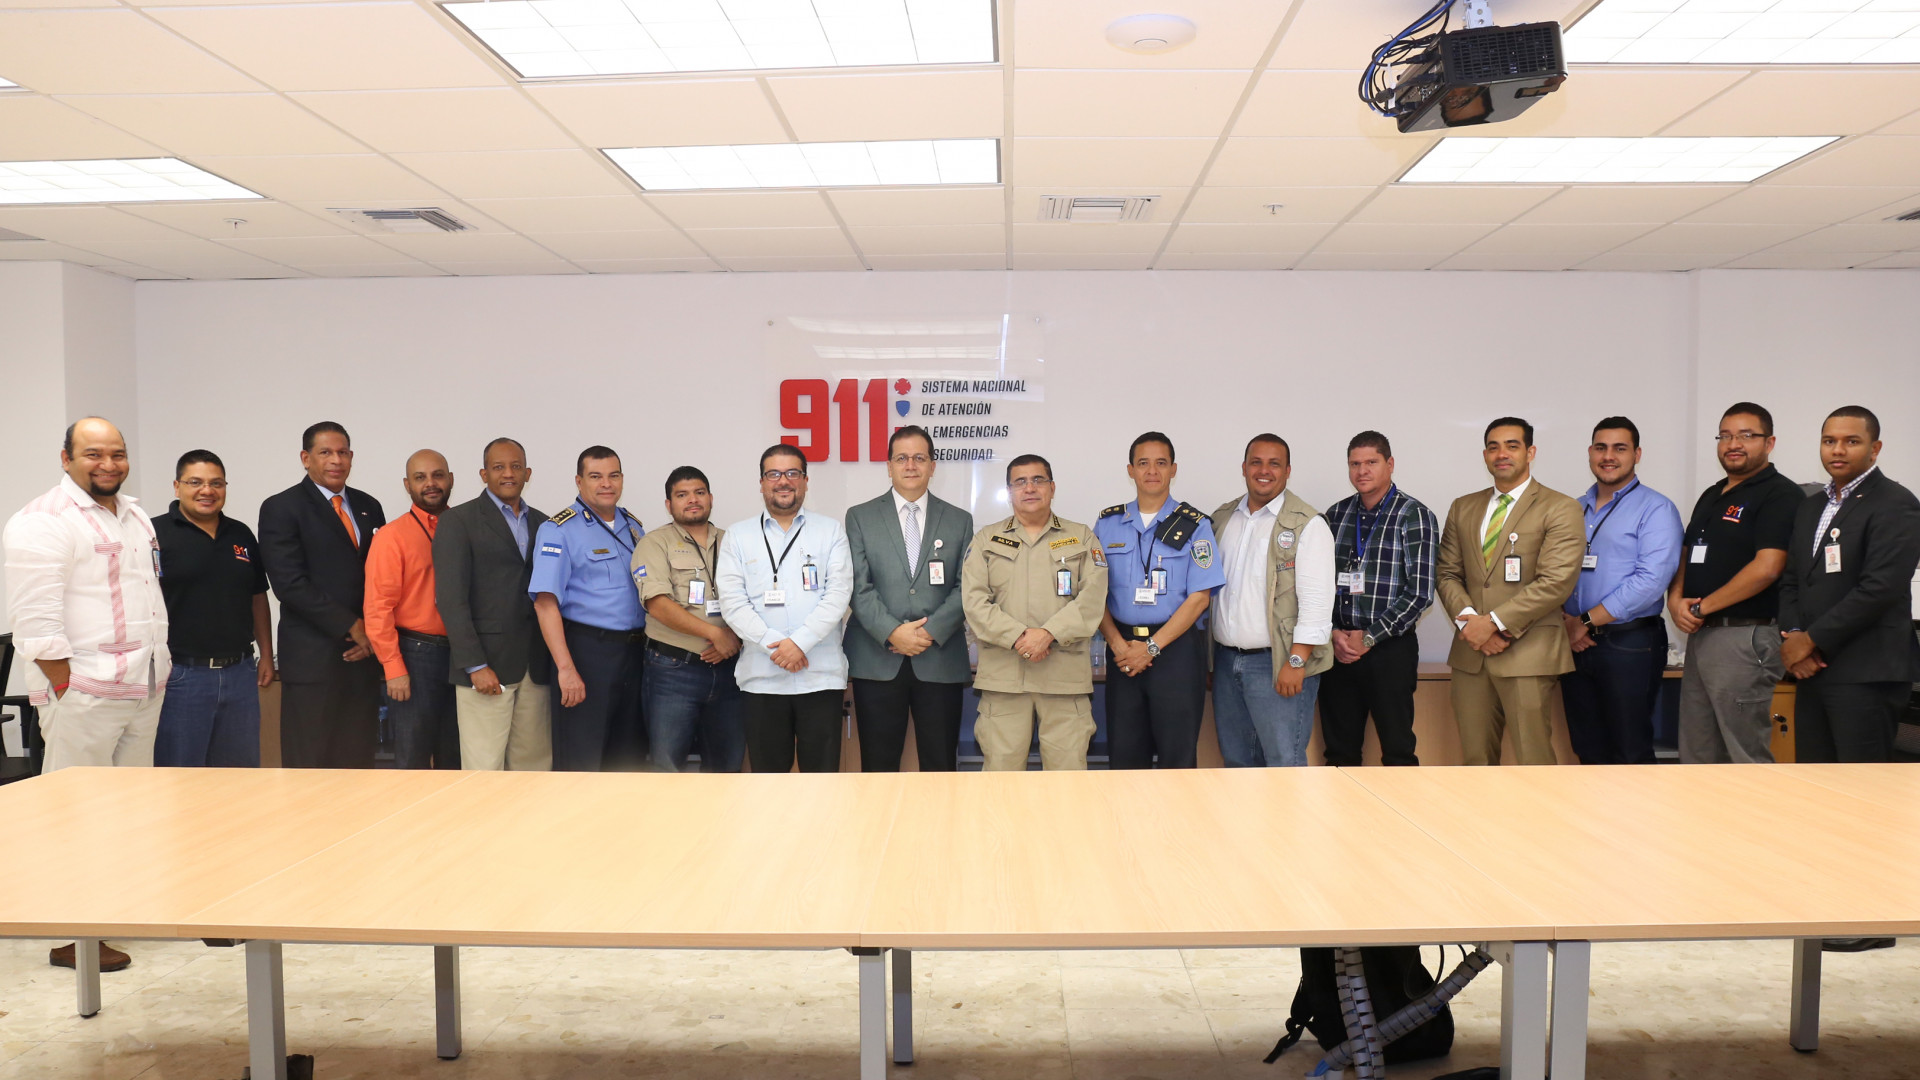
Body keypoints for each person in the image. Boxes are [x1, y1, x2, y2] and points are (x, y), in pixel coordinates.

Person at [4, 417, 165, 974]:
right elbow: (35, 623)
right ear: (66, 458)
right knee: (74, 816)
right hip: (85, 693)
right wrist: (69, 689)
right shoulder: (43, 520)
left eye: (117, 453)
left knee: (125, 813)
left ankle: (110, 916)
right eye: (94, 454)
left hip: (142, 685)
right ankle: (71, 936)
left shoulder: (134, 514)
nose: (109, 464)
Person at [1435, 417, 1583, 765]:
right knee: (1475, 762)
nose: (1501, 454)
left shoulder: (1560, 507)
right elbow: (1447, 572)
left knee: (1534, 763)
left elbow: (1555, 582)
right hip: (1472, 656)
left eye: (1512, 446)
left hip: (1528, 654)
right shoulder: (1462, 507)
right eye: (1493, 447)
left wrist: (1494, 624)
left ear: (1530, 452)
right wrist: (1472, 624)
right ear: (1485, 455)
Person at [1779, 406, 1920, 764]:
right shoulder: (1811, 507)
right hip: (1811, 670)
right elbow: (1793, 579)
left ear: (1875, 449)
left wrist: (1810, 640)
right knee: (1813, 783)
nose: (1837, 450)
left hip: (1866, 674)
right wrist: (1794, 636)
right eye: (1829, 441)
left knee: (1862, 788)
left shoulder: (1896, 503)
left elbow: (1880, 589)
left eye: (1851, 441)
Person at [1670, 402, 1803, 764]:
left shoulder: (1780, 495)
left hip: (1745, 636)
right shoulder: (1712, 494)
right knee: (1698, 751)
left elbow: (1768, 567)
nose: (1734, 444)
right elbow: (1686, 553)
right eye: (1726, 436)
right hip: (1703, 635)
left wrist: (1702, 607)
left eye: (1746, 435)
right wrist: (1675, 600)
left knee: (1744, 755)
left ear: (1769, 443)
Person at [961, 454, 1109, 771]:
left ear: (1052, 488)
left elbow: (1093, 597)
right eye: (1020, 482)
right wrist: (1019, 637)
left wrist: (1048, 634)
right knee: (1001, 780)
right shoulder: (986, 539)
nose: (1030, 488)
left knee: (1067, 782)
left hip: (1063, 680)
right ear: (1009, 491)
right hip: (1004, 680)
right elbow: (974, 601)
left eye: (1038, 480)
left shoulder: (1082, 536)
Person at [715, 445, 853, 773]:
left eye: (792, 473)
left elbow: (838, 594)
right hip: (762, 678)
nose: (783, 481)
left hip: (819, 676)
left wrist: (799, 644)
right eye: (774, 474)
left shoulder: (830, 531)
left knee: (822, 783)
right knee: (768, 784)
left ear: (805, 480)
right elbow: (732, 602)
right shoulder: (738, 536)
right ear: (762, 482)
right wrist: (776, 647)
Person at [844, 426, 974, 772]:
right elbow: (857, 585)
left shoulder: (959, 520)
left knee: (941, 766)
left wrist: (928, 632)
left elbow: (967, 586)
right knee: (878, 768)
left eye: (919, 458)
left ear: (933, 466)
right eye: (902, 458)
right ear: (889, 466)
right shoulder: (860, 517)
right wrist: (892, 632)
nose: (911, 465)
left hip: (940, 658)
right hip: (877, 658)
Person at [258, 421, 386, 769]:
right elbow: (289, 584)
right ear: (306, 458)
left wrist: (371, 633)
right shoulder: (282, 507)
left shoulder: (369, 506)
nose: (336, 460)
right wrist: (351, 625)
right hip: (312, 662)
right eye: (325, 452)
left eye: (342, 452)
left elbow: (381, 578)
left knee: (358, 765)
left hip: (363, 660)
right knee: (309, 768)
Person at [1095, 432, 1225, 770]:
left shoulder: (1195, 525)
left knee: (1177, 758)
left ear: (1173, 469)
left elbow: (1199, 598)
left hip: (1176, 651)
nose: (1152, 471)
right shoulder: (1107, 524)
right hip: (1122, 650)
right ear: (1130, 470)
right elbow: (1093, 594)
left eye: (1161, 463)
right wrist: (1118, 645)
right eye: (1143, 463)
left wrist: (1151, 648)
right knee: (1125, 757)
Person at [1558, 418, 1683, 765]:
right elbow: (1551, 572)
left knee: (1630, 752)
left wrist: (1584, 621)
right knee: (1587, 749)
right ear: (1590, 453)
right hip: (1574, 644)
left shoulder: (1656, 509)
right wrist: (1565, 620)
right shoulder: (1572, 508)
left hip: (1629, 644)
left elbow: (1651, 581)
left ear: (1637, 454)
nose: (1608, 456)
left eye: (1619, 448)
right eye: (1601, 447)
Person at [1209, 433, 1333, 768]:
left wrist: (1296, 662)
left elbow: (1318, 603)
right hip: (1226, 663)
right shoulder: (1223, 519)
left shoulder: (1308, 524)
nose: (1264, 471)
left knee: (1283, 765)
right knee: (1237, 763)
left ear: (1287, 471)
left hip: (1277, 664)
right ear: (1244, 468)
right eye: (1256, 462)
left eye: (1274, 464)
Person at [433, 437, 552, 771]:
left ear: (528, 473)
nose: (508, 474)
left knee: (534, 768)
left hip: (535, 666)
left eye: (516, 466)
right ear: (484, 474)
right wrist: (474, 665)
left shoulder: (545, 524)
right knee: (483, 769)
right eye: (499, 467)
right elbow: (451, 600)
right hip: (487, 667)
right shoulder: (458, 521)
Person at [1320, 431, 1437, 767]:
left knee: (1398, 750)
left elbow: (1420, 593)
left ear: (1390, 464)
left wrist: (1369, 637)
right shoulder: (1335, 515)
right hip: (1340, 649)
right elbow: (1319, 585)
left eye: (1371, 462)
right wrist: (1334, 633)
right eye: (1355, 464)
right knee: (1339, 753)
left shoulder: (1414, 515)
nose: (1362, 471)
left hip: (1389, 650)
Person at [153, 449, 274, 768]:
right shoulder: (153, 534)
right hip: (181, 676)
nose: (207, 490)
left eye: (216, 483)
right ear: (177, 487)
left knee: (240, 775)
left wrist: (266, 653)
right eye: (195, 482)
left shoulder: (241, 533)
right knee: (181, 776)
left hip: (241, 673)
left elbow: (257, 596)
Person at [529, 445, 646, 772]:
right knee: (583, 759)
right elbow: (545, 604)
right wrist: (566, 669)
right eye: (596, 476)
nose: (606, 484)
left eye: (613, 475)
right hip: (587, 653)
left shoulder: (633, 527)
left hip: (634, 655)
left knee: (628, 757)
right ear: (579, 482)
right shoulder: (558, 530)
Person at [632, 466, 745, 772]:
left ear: (710, 498)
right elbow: (658, 604)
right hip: (673, 672)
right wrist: (716, 634)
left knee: (727, 767)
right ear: (669, 504)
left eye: (699, 492)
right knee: (668, 767)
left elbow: (754, 598)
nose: (692, 500)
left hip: (729, 670)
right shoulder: (655, 543)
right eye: (682, 495)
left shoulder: (734, 541)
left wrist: (733, 639)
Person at [363, 449, 459, 770]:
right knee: (412, 758)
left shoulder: (467, 528)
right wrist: (394, 668)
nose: (430, 483)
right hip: (416, 657)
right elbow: (378, 608)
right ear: (407, 485)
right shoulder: (392, 537)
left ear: (451, 479)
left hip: (464, 655)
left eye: (437, 475)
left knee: (458, 757)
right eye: (420, 477)